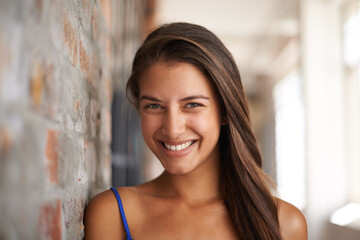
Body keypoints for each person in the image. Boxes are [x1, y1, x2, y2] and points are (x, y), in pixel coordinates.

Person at [84, 22, 307, 240]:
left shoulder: (284, 223)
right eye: (154, 106)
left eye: (192, 105)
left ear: (224, 111)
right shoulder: (111, 214)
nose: (172, 129)